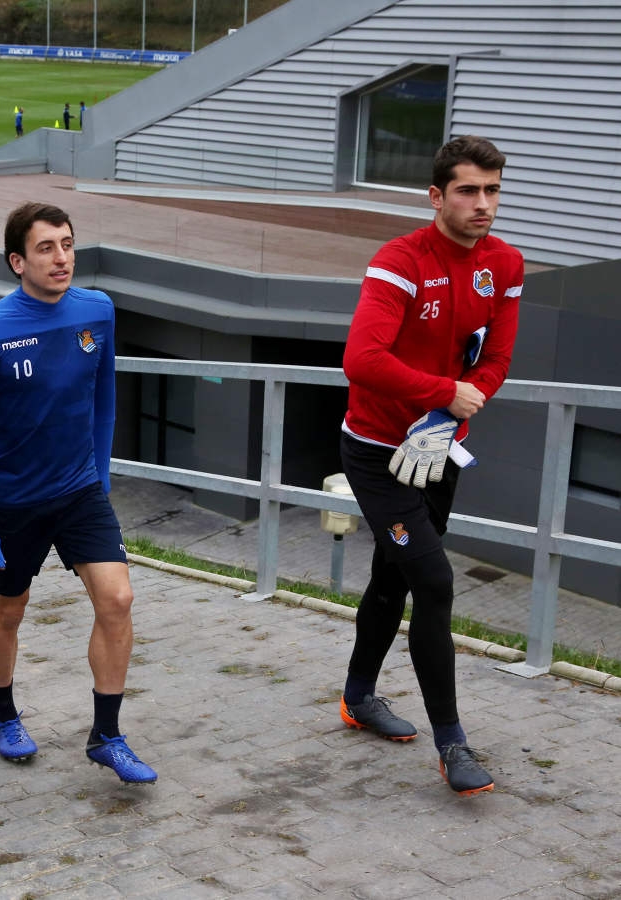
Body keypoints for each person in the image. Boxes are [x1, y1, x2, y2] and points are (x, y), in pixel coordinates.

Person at [338, 135, 522, 796]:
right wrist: (443, 394)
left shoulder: (504, 264)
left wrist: (448, 415)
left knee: (394, 577)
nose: (483, 204)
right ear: (436, 196)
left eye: (492, 190)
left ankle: (359, 698)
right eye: (469, 190)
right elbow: (361, 360)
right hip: (376, 452)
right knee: (436, 582)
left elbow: (494, 361)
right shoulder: (400, 261)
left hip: (438, 448)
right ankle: (453, 745)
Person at [0, 202, 157, 785]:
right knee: (8, 611)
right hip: (12, 500)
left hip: (79, 492)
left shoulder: (97, 310)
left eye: (67, 244)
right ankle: (3, 715)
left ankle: (106, 735)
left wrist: (100, 479)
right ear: (17, 261)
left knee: (118, 599)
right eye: (46, 248)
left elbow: (104, 401)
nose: (61, 257)